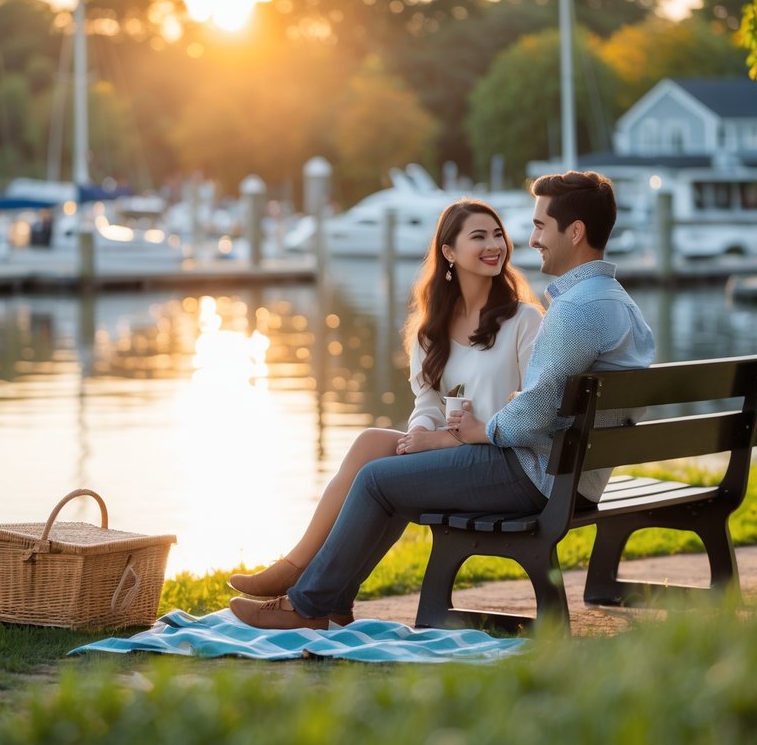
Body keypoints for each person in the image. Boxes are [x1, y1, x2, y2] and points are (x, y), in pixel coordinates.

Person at [230, 170, 656, 630]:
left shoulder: (573, 312)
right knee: (377, 456)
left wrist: (476, 432)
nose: (529, 239)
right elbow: (530, 405)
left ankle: (308, 605)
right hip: (561, 472)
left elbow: (531, 416)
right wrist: (438, 433)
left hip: (536, 476)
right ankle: (322, 597)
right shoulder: (612, 300)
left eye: (539, 226)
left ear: (574, 232)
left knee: (377, 480)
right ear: (449, 254)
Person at [229, 198, 543, 598]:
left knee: (377, 477)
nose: (494, 245)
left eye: (498, 234)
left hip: (496, 457)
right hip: (450, 452)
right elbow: (427, 404)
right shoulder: (432, 330)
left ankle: (312, 592)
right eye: (478, 236)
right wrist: (418, 439)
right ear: (448, 252)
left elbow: (531, 406)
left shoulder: (523, 321)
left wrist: (446, 440)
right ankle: (297, 564)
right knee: (370, 442)